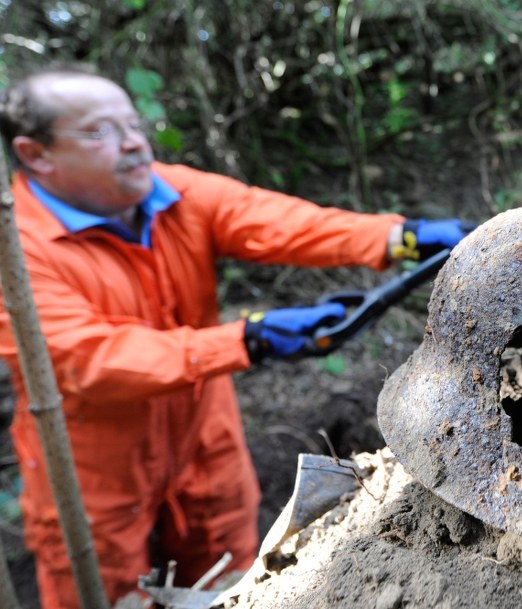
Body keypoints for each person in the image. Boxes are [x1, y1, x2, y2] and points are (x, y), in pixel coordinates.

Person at [0, 63, 473, 608]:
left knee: (230, 572)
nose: (133, 145)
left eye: (133, 125)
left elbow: (271, 219)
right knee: (99, 589)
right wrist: (247, 340)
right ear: (36, 154)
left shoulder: (169, 191)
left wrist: (398, 237)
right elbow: (84, 358)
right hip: (93, 457)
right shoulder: (18, 250)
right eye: (100, 132)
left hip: (204, 428)